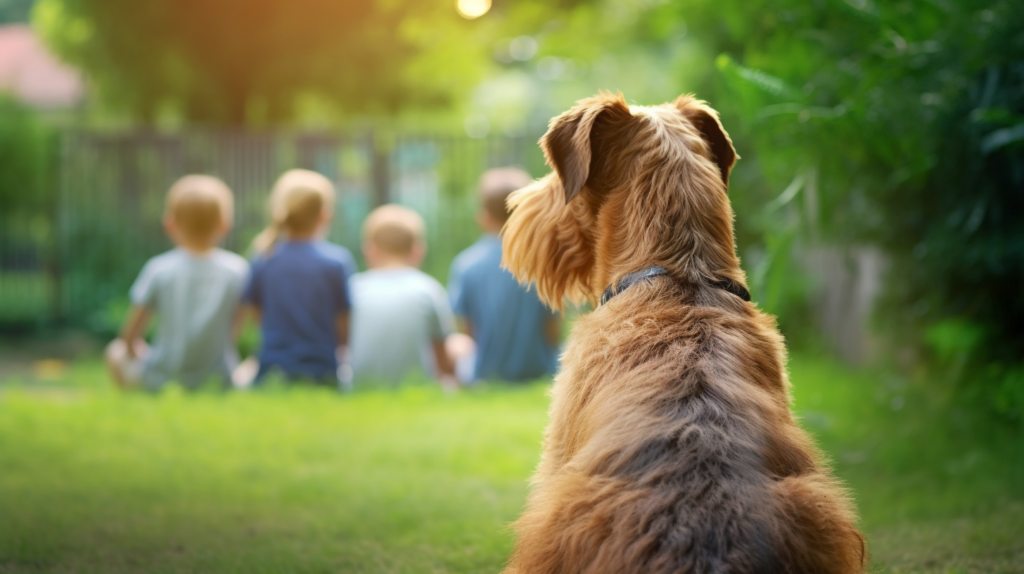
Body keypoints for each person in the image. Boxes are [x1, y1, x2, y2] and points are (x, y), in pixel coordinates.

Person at [104, 175, 248, 390]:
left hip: (161, 379)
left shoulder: (159, 269)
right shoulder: (238, 270)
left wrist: (143, 356)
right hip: (219, 380)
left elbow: (130, 337)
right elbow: (234, 331)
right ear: (224, 225)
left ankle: (134, 394)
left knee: (115, 352)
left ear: (170, 224)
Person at [242, 169, 356, 386]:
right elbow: (344, 329)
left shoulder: (263, 259)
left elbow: (258, 319)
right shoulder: (337, 262)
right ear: (325, 214)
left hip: (271, 371)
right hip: (323, 372)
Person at [448, 167, 560, 383]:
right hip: (541, 368)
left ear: (483, 217)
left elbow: (469, 332)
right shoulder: (544, 261)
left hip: (484, 372)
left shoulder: (466, 264)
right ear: (527, 212)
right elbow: (552, 330)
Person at [348, 204, 458, 388]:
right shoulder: (428, 289)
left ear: (370, 250)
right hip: (418, 384)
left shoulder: (354, 288)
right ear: (418, 251)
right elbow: (443, 360)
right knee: (461, 345)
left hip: (359, 385)